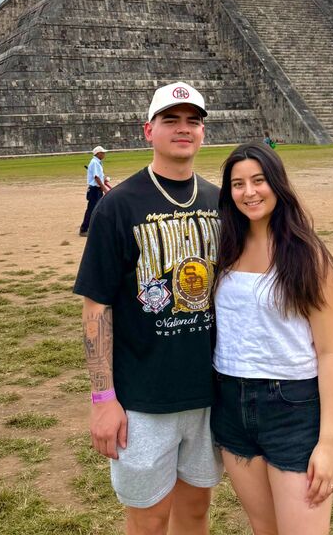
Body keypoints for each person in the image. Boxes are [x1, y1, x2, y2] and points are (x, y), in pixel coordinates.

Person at [74, 82, 223, 534]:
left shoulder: (221, 202)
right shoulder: (118, 206)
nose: (184, 129)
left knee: (196, 511)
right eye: (171, 120)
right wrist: (103, 399)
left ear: (201, 134)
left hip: (208, 393)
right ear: (148, 130)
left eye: (193, 122)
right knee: (148, 521)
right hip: (141, 399)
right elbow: (95, 308)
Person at [211, 142, 333, 535]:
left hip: (292, 405)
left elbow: (330, 353)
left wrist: (328, 443)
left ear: (277, 185)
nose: (249, 192)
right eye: (237, 184)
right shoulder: (225, 248)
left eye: (258, 180)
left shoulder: (307, 256)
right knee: (263, 528)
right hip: (231, 401)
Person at [79, 145, 110, 236]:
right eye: (103, 153)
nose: (104, 154)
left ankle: (94, 227)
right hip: (94, 190)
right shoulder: (95, 163)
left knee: (97, 209)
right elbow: (96, 177)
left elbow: (99, 176)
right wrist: (104, 188)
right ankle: (84, 229)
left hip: (97, 188)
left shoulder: (98, 162)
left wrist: (104, 179)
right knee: (91, 209)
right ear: (98, 153)